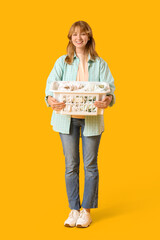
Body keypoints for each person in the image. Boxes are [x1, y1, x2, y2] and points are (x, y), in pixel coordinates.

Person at [45, 20, 115, 228]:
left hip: (92, 121)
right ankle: (73, 209)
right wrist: (50, 100)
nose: (78, 38)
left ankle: (86, 211)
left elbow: (109, 88)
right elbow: (50, 87)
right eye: (75, 34)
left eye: (83, 34)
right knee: (71, 166)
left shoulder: (100, 63)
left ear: (89, 37)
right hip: (66, 120)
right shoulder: (62, 62)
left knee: (91, 166)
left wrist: (108, 99)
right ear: (70, 38)